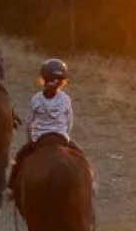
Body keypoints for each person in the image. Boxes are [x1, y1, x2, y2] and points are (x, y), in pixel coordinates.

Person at [7, 58, 86, 196]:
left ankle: (12, 187)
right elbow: (69, 122)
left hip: (40, 138)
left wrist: (31, 141)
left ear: (43, 78)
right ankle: (89, 186)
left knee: (19, 159)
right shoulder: (65, 99)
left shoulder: (36, 99)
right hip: (61, 137)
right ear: (62, 82)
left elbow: (29, 123)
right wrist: (66, 136)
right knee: (82, 158)